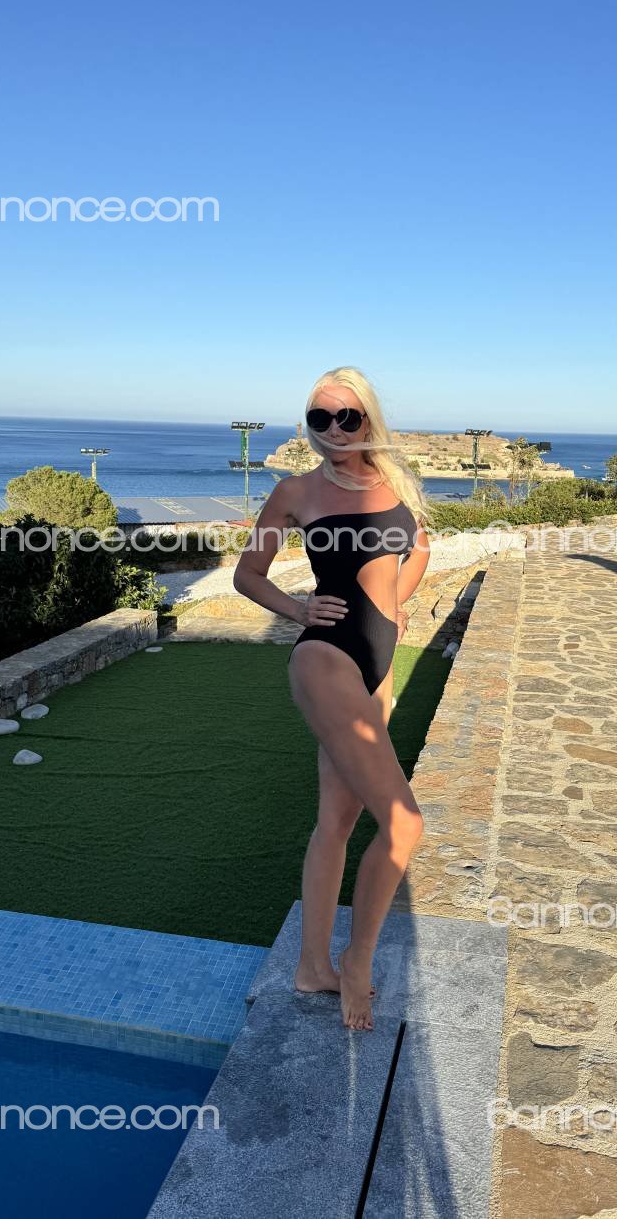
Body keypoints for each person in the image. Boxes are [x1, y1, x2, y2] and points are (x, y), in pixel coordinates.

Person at [232, 366, 431, 1029]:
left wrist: (397, 609)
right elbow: (247, 573)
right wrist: (296, 608)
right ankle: (356, 961)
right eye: (321, 418)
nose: (335, 429)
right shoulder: (296, 491)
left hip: (377, 667)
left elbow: (419, 546)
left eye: (348, 416)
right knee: (404, 822)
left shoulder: (393, 482)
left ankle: (312, 966)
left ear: (369, 417)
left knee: (338, 822)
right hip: (325, 659)